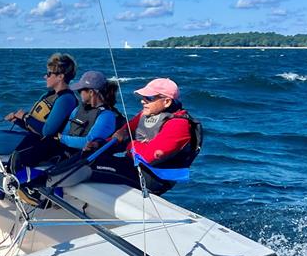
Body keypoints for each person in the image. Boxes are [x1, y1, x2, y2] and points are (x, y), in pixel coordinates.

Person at [48, 78, 201, 195]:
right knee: (89, 155)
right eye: (143, 97)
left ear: (167, 101)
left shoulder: (179, 125)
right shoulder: (146, 114)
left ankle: (48, 185)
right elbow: (123, 132)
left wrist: (130, 145)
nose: (143, 101)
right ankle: (46, 178)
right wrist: (99, 144)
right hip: (133, 166)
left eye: (149, 98)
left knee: (89, 168)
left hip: (152, 179)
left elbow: (151, 155)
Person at [5, 53, 78, 170]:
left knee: (16, 160)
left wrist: (25, 117)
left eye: (49, 74)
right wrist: (17, 120)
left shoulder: (66, 99)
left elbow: (47, 131)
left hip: (53, 147)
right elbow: (36, 127)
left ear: (60, 77)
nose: (45, 76)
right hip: (37, 141)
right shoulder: (49, 95)